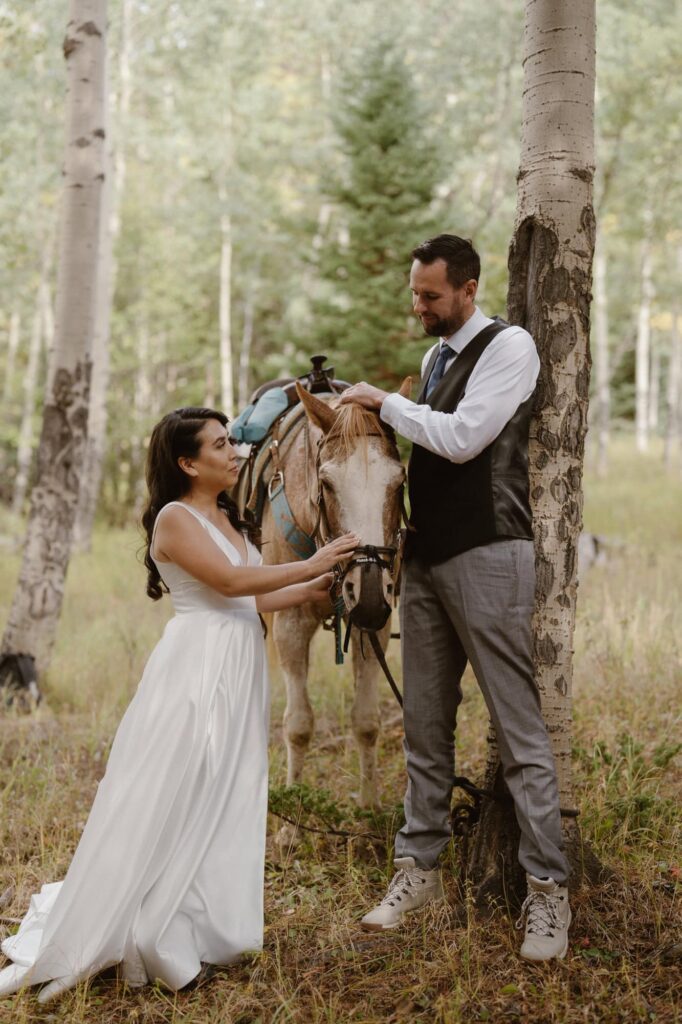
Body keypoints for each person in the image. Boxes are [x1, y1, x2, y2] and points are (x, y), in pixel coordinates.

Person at [0, 407, 358, 1002]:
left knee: (224, 788)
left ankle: (198, 918)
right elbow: (230, 585)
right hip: (196, 667)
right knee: (177, 786)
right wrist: (313, 560)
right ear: (188, 462)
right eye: (221, 445)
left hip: (239, 663)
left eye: (231, 442)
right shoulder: (174, 518)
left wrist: (318, 584)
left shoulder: (226, 515)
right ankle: (147, 925)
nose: (235, 451)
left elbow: (258, 595)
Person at [340, 234, 572, 962]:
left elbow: (466, 439)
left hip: (491, 555)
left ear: (468, 290)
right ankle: (419, 871)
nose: (419, 305)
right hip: (430, 560)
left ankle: (547, 894)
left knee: (520, 733)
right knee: (425, 728)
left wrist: (384, 402)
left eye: (431, 296)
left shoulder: (510, 347)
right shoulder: (435, 359)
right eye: (416, 293)